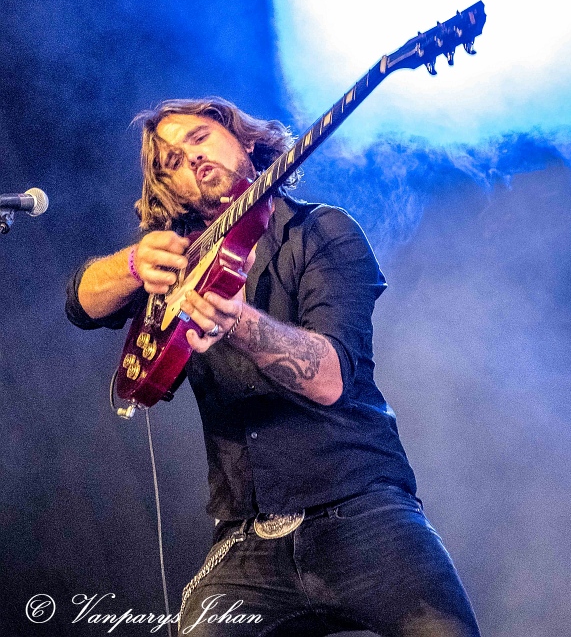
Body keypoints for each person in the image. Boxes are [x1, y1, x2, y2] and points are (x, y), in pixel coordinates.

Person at [66, 98, 482, 637]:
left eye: (199, 138)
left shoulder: (322, 230)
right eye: (171, 161)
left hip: (365, 513)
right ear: (170, 191)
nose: (191, 158)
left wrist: (238, 322)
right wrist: (131, 263)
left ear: (246, 140)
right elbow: (80, 304)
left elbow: (330, 379)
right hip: (246, 537)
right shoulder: (177, 266)